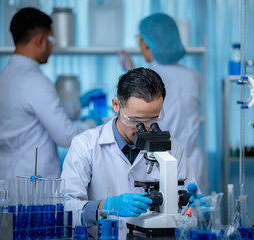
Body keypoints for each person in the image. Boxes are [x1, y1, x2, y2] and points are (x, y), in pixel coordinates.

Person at [61, 67, 198, 237]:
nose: (146, 128)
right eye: (136, 120)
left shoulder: (173, 148)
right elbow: (65, 209)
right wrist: (106, 206)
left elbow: (188, 209)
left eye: (153, 119)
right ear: (116, 105)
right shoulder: (85, 145)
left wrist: (197, 211)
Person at [0, 7, 94, 193]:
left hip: (3, 174)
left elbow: (28, 116)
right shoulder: (35, 81)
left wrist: (77, 104)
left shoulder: (0, 77)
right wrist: (93, 123)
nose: (52, 46)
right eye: (51, 39)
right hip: (30, 181)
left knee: (1, 223)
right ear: (41, 40)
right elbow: (66, 136)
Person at [119, 13, 208, 194]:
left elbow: (143, 98)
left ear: (145, 44)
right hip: (193, 160)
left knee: (159, 215)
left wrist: (131, 72)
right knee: (194, 216)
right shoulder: (194, 76)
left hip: (158, 159)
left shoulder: (152, 76)